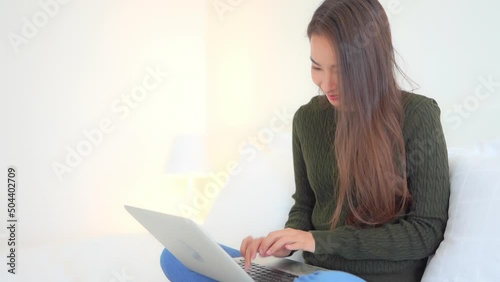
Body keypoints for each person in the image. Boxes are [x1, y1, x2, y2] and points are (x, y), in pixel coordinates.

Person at [162, 0, 450, 281]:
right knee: (178, 256)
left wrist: (316, 242)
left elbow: (425, 233)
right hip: (309, 273)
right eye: (317, 67)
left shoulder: (418, 115)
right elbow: (305, 204)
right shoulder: (307, 119)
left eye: (339, 69)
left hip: (365, 278)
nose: (326, 84)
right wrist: (283, 243)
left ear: (370, 61)